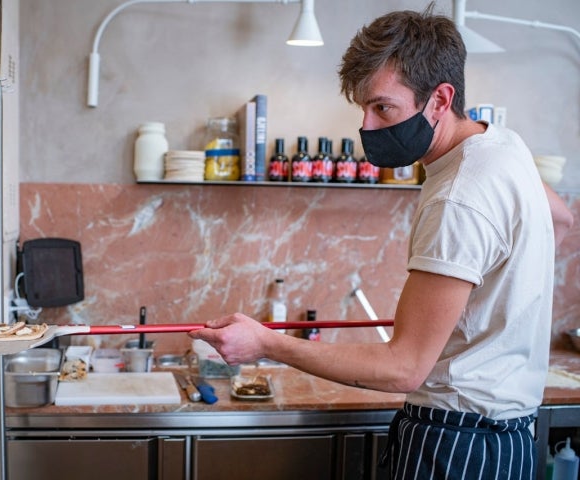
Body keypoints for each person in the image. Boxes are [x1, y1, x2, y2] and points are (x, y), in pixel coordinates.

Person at [189, 5, 574, 479]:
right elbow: (559, 219)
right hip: (511, 441)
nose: (367, 127)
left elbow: (404, 368)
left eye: (383, 107)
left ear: (439, 99)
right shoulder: (503, 146)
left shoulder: (458, 196)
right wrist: (490, 304)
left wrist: (267, 343)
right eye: (363, 108)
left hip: (455, 444)